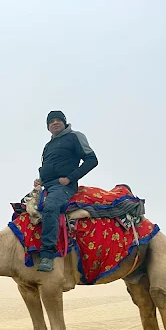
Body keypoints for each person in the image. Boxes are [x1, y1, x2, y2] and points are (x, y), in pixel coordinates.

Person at [35, 110, 98, 272]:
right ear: (48, 126)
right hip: (47, 185)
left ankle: (48, 255)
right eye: (51, 121)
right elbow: (50, 166)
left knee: (50, 207)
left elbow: (92, 160)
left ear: (64, 122)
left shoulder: (74, 136)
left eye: (58, 120)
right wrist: (40, 180)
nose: (55, 123)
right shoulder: (47, 146)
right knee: (24, 208)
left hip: (63, 186)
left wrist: (70, 178)